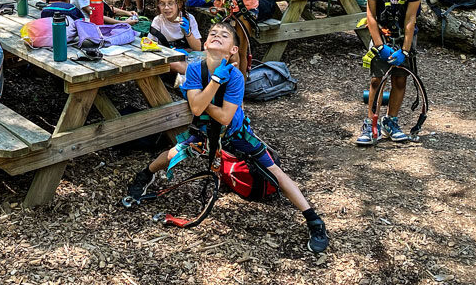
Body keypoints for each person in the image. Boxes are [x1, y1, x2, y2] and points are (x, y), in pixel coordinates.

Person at [126, 21, 329, 253]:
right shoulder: (194, 69)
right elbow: (194, 110)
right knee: (172, 154)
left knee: (274, 171)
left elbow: (223, 117)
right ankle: (145, 175)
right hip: (203, 133)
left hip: (234, 134)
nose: (217, 36)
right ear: (204, 44)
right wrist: (212, 84)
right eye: (212, 33)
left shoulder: (236, 77)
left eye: (224, 35)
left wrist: (203, 101)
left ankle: (313, 219)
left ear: (233, 50)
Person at [356, 0, 426, 146]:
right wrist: (379, 46)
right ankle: (371, 123)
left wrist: (404, 50)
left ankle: (391, 121)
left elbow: (411, 18)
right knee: (377, 80)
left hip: (403, 40)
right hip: (381, 37)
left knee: (400, 79)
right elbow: (370, 16)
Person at [148, 0, 203, 76]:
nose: (166, 8)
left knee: (212, 54)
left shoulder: (189, 18)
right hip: (170, 60)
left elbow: (197, 49)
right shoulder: (158, 21)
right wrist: (171, 52)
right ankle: (198, 76)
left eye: (170, 3)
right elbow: (150, 46)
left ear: (179, 4)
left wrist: (188, 33)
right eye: (162, 4)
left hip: (189, 57)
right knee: (175, 64)